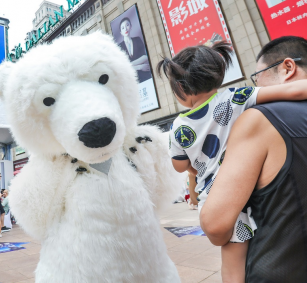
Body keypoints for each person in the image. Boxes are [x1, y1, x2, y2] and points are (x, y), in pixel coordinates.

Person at [157, 40, 307, 283]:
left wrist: (198, 164)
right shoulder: (237, 97)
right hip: (250, 194)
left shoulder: (178, 127)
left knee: (233, 267)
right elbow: (295, 91)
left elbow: (180, 166)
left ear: (180, 88)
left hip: (218, 199)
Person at [201, 36, 307, 282]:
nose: (257, 84)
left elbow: (216, 226)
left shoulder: (259, 119)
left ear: (287, 68)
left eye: (258, 76)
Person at [117, 17, 151, 83]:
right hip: (131, 79)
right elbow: (122, 67)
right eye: (123, 28)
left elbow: (145, 56)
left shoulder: (137, 39)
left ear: (131, 26)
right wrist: (140, 67)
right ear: (121, 32)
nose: (125, 29)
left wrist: (128, 65)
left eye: (127, 25)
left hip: (145, 75)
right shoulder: (119, 47)